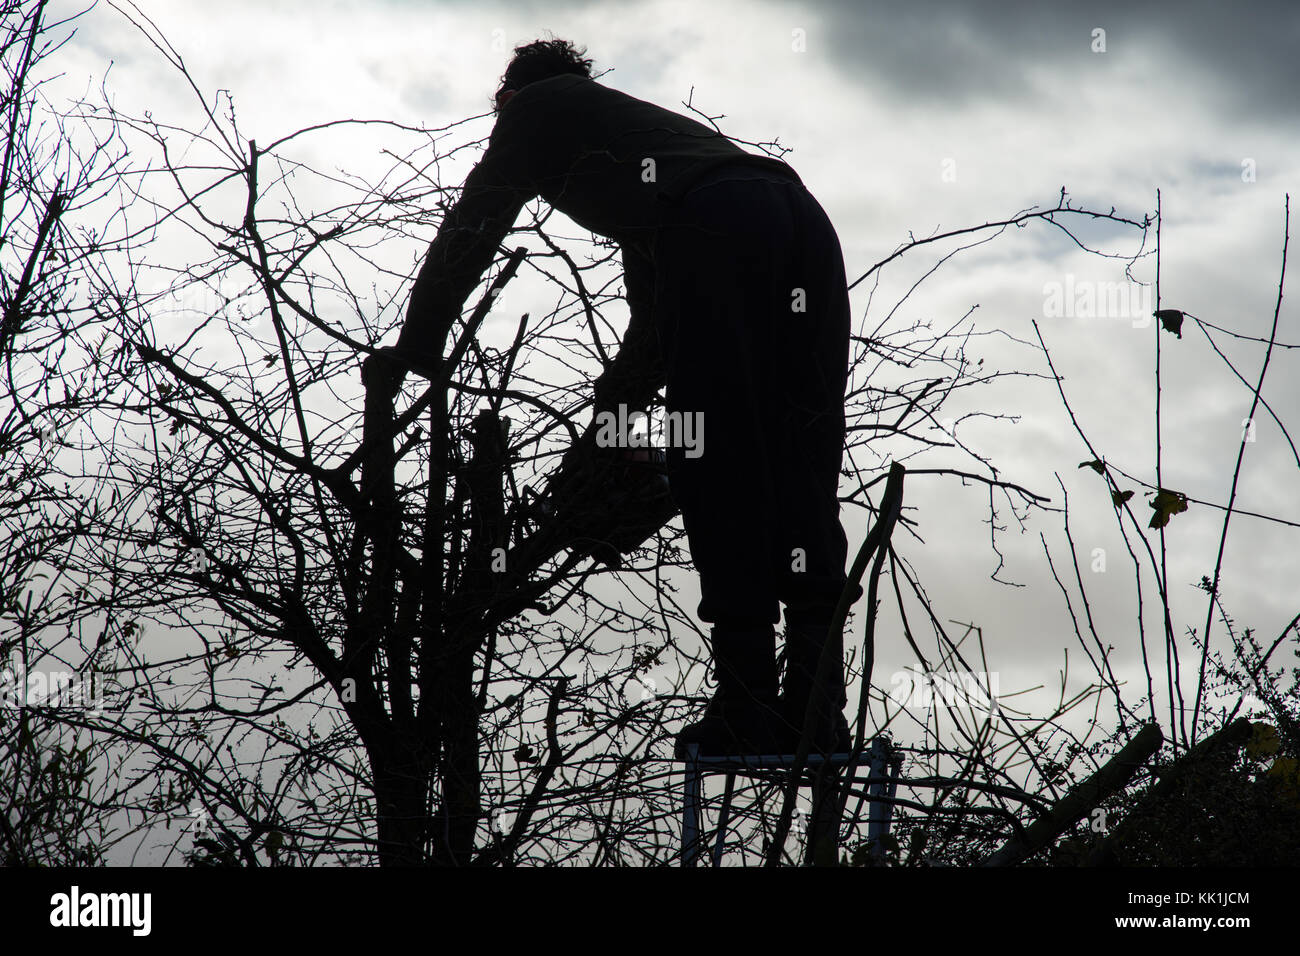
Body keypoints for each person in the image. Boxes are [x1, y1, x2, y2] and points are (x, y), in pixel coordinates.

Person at [373, 38, 857, 756]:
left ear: (508, 99)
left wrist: (417, 344)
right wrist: (610, 432)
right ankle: (817, 705)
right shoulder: (655, 155)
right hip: (803, 219)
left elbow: (472, 226)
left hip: (720, 228)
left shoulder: (536, 107)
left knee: (715, 457)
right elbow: (653, 342)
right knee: (802, 453)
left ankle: (748, 702)